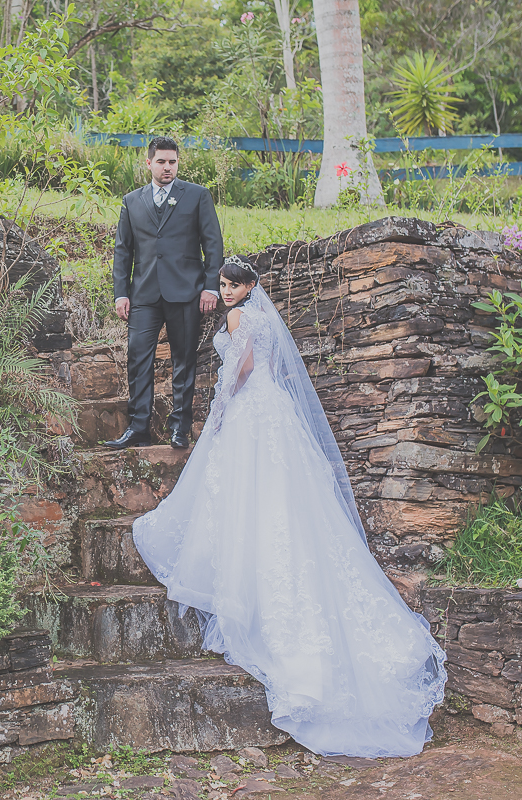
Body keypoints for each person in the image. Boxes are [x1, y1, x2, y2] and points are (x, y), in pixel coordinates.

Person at [132, 256, 447, 758]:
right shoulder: (262, 317)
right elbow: (271, 367)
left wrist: (218, 410)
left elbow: (246, 366)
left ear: (251, 286)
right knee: (289, 508)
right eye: (223, 284)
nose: (227, 291)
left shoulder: (239, 318)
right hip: (274, 411)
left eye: (235, 285)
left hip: (250, 411)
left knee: (247, 497)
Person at [106, 136, 224, 450]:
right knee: (137, 357)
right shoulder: (132, 200)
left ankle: (180, 428)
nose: (167, 167)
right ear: (149, 163)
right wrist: (121, 293)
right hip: (143, 294)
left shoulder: (197, 196)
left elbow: (212, 244)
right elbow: (123, 251)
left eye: (172, 161)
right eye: (161, 161)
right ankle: (139, 426)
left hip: (186, 292)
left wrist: (211, 286)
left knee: (184, 360)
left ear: (177, 163)